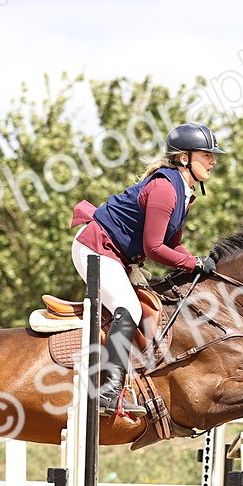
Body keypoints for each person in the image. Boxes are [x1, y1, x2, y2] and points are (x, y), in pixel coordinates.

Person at [70, 122, 226, 415]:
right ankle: (107, 392)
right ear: (184, 158)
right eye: (206, 155)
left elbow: (172, 243)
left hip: (116, 254)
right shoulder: (165, 189)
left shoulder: (184, 192)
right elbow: (154, 248)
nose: (213, 161)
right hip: (95, 246)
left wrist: (197, 262)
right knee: (129, 308)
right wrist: (192, 263)